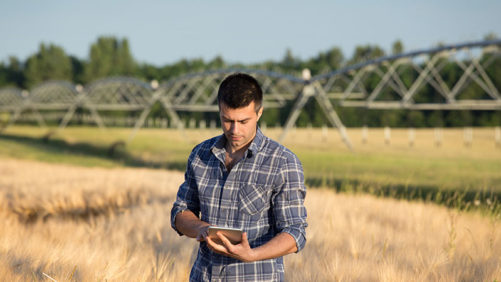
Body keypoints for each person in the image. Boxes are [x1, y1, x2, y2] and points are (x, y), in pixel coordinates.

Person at [171, 73, 307, 281]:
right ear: (219, 112)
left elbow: (295, 233)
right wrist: (201, 228)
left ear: (259, 113)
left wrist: (251, 255)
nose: (235, 130)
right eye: (227, 120)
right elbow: (181, 212)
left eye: (243, 121)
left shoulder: (282, 162)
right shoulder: (200, 155)